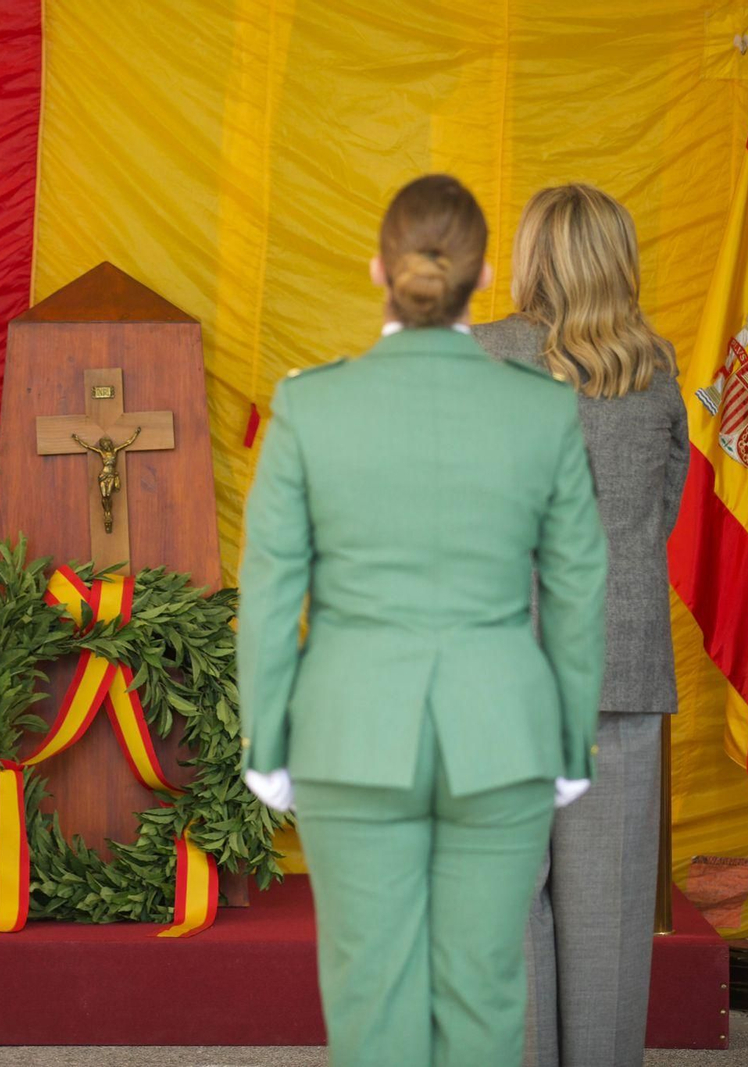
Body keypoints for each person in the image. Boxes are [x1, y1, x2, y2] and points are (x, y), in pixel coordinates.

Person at [237, 174, 608, 1067]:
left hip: (349, 737)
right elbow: (577, 584)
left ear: (380, 271)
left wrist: (267, 746)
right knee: (482, 999)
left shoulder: (310, 404)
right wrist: (567, 742)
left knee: (373, 1001)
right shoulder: (541, 407)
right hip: (503, 738)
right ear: (483, 282)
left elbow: (270, 586)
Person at [474, 183, 689, 1067]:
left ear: (532, 257)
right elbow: (662, 511)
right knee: (608, 919)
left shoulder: (482, 356)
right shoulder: (659, 367)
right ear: (617, 256)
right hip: (620, 669)